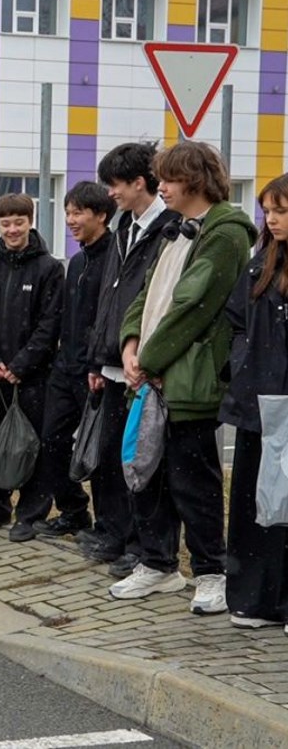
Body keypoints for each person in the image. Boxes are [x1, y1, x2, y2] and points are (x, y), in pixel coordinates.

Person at [110, 141, 255, 613]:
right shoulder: (176, 230)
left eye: (168, 179)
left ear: (194, 180)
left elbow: (193, 308)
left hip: (190, 379)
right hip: (153, 374)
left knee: (194, 479)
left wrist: (146, 359)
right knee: (148, 473)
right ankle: (158, 563)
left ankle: (211, 572)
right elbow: (146, 293)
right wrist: (130, 344)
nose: (161, 187)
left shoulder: (226, 234)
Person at [75, 142, 180, 577]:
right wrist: (99, 360)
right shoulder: (124, 228)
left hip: (146, 366)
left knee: (146, 463)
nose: (110, 193)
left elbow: (155, 300)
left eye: (115, 184)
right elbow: (110, 298)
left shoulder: (170, 229)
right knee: (115, 459)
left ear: (140, 182)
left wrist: (141, 354)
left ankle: (148, 547)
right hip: (115, 364)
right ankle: (118, 535)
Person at [0, 193, 64, 540]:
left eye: (19, 222)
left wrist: (22, 364)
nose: (12, 229)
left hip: (35, 375)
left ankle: (31, 514)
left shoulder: (49, 269)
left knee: (31, 443)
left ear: (30, 221)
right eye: (5, 223)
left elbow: (50, 325)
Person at [25, 183, 115, 541]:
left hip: (98, 371)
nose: (71, 220)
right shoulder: (76, 261)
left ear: (101, 216)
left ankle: (109, 526)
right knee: (53, 441)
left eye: (78, 213)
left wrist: (99, 362)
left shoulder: (116, 258)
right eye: (68, 212)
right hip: (65, 368)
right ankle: (73, 510)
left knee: (101, 452)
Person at [220, 172, 288, 630]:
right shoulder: (258, 263)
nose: (272, 218)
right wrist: (242, 362)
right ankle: (253, 599)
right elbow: (235, 322)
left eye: (281, 210)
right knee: (253, 503)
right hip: (256, 404)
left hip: (283, 401)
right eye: (267, 210)